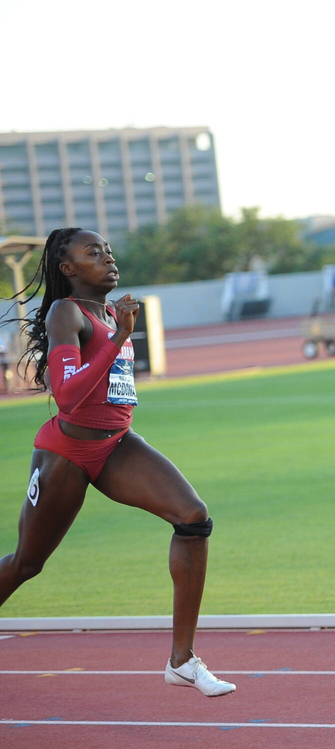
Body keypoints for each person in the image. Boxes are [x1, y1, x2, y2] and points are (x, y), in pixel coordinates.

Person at [0, 228, 234, 697]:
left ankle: (182, 660)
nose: (108, 258)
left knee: (193, 517)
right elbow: (66, 395)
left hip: (117, 443)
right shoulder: (66, 312)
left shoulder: (108, 310)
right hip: (66, 452)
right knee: (27, 563)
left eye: (108, 250)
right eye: (94, 252)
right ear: (68, 269)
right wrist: (121, 336)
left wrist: (117, 331)